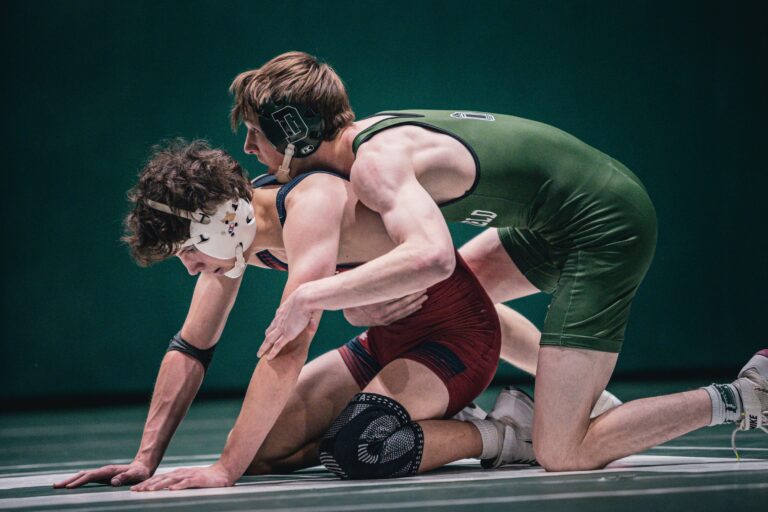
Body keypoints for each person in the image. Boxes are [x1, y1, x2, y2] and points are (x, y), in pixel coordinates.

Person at [229, 51, 767, 472]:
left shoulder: (373, 165)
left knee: (564, 452)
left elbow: (432, 257)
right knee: (460, 302)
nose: (251, 149)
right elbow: (426, 273)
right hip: (559, 214)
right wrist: (358, 304)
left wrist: (312, 295)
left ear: (293, 131)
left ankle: (742, 396)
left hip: (605, 226)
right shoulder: (365, 144)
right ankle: (590, 400)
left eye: (255, 132)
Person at [55, 140, 558, 491]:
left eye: (188, 252)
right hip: (386, 342)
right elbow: (192, 346)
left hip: (455, 339)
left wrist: (223, 470)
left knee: (360, 449)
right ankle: (422, 416)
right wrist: (145, 459)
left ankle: (505, 435)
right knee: (261, 454)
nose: (190, 268)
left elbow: (292, 341)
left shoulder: (308, 202)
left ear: (219, 222)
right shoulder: (234, 241)